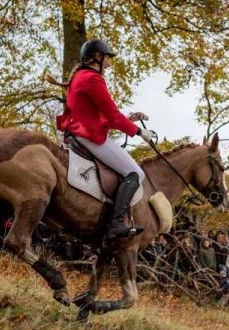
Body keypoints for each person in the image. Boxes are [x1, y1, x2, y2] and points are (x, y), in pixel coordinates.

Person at [54, 39, 156, 241]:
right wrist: (138, 132)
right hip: (88, 136)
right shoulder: (93, 79)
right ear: (97, 58)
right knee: (135, 173)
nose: (108, 65)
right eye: (107, 59)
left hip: (77, 131)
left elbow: (95, 116)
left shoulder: (80, 77)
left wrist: (129, 120)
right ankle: (116, 224)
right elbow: (112, 117)